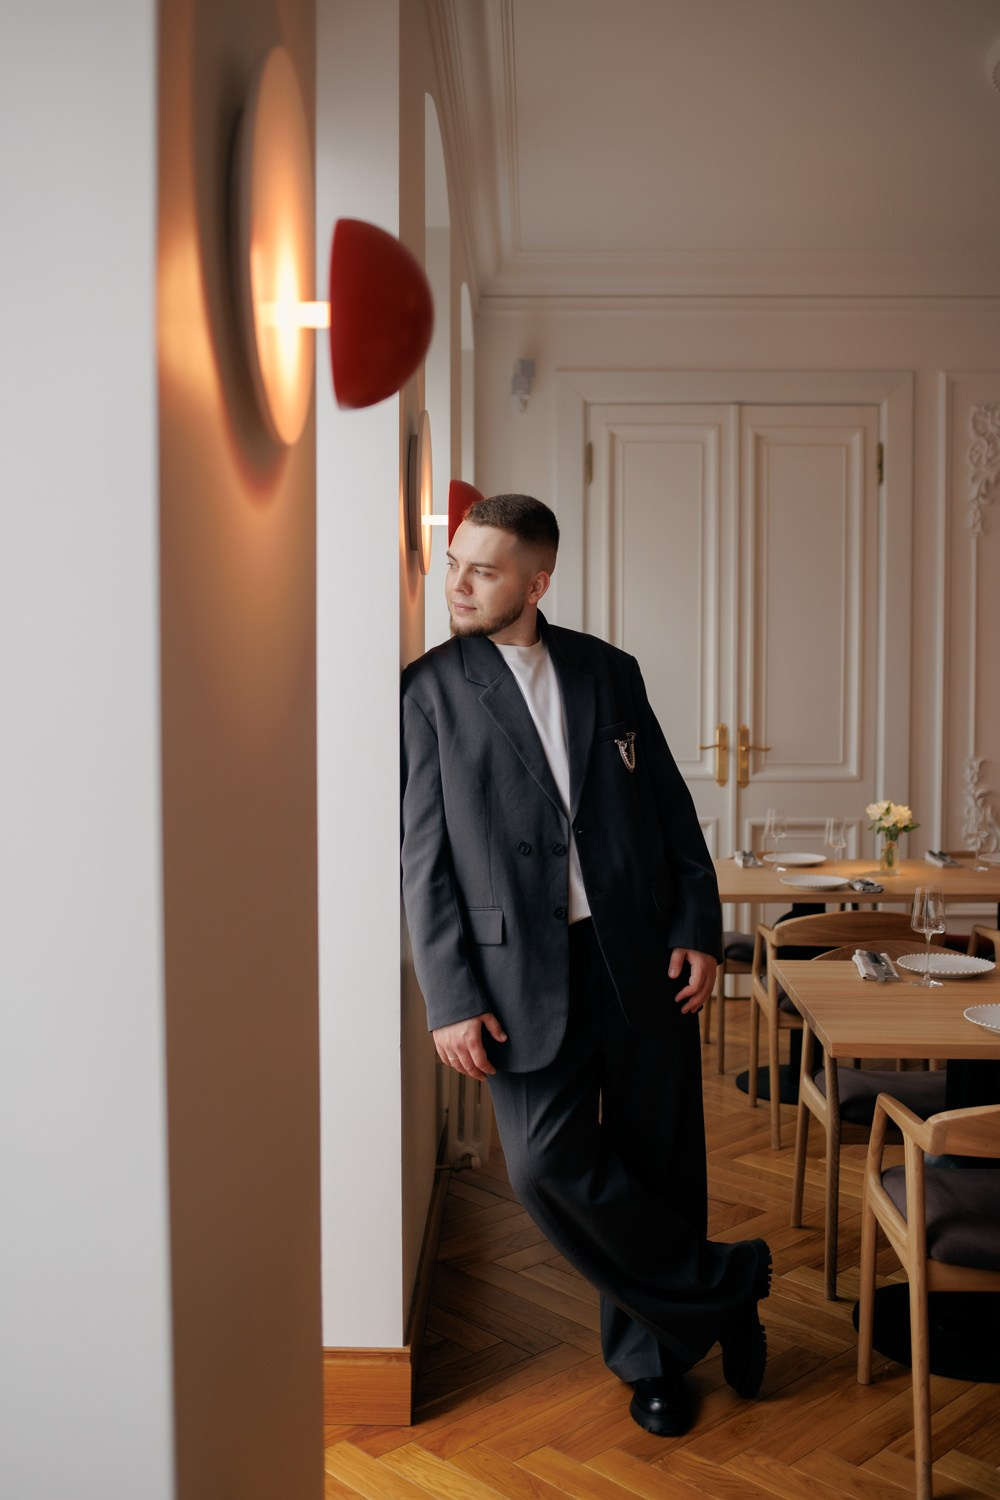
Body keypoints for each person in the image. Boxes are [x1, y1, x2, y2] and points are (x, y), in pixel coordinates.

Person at [400, 493, 771, 1436]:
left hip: (640, 955)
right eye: (454, 563)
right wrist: (448, 995)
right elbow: (422, 859)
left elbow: (671, 810)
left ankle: (656, 1360)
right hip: (517, 973)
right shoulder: (430, 689)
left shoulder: (610, 671)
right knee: (544, 1165)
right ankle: (724, 1288)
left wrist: (697, 925)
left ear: (536, 583)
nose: (457, 585)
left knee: (658, 1158)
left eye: (482, 570)